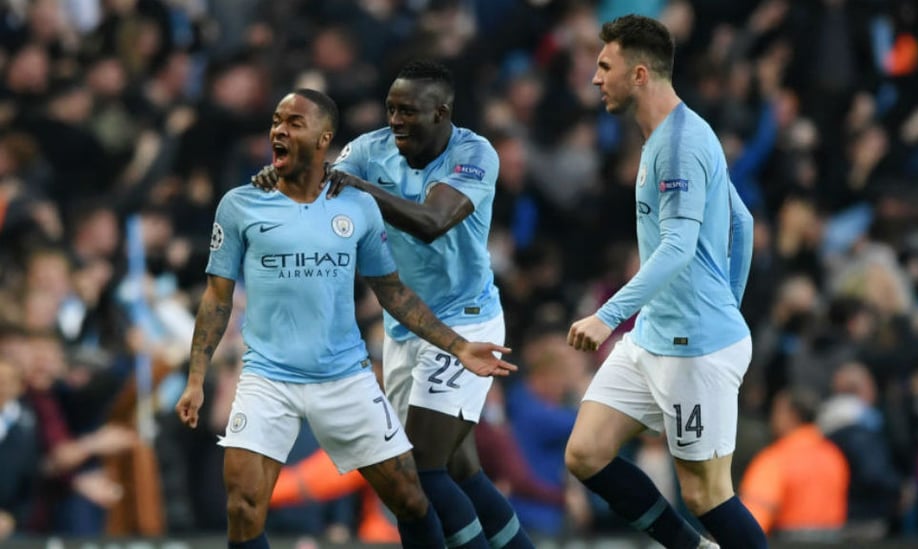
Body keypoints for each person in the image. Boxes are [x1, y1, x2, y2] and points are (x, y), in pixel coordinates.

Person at [175, 88, 517, 549]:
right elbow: (217, 298)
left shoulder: (356, 207)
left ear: (324, 138)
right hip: (267, 377)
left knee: (413, 499)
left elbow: (391, 291)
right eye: (277, 120)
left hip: (344, 377)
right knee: (242, 504)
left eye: (295, 122)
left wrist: (457, 345)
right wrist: (197, 378)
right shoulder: (240, 205)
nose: (279, 129)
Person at [563, 15, 766, 549]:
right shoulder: (673, 134)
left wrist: (607, 316)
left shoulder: (679, 145)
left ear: (638, 75)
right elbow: (742, 223)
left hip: (693, 348)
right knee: (586, 453)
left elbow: (678, 246)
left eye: (604, 66)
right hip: (655, 336)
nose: (594, 78)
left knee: (707, 495)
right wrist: (730, 304)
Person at [740, 388, 849, 538]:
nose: (773, 418)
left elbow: (753, 520)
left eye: (777, 411)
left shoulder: (775, 459)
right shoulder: (834, 456)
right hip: (833, 541)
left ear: (792, 415)